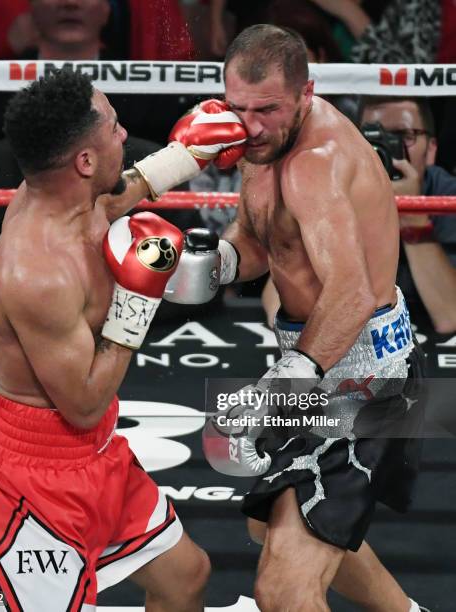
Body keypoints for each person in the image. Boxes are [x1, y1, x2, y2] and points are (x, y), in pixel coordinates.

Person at [0, 67, 247, 610]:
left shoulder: (70, 194)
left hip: (94, 453)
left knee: (186, 577)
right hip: (26, 480)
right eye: (113, 126)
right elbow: (85, 403)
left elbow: (113, 196)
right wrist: (138, 302)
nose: (124, 133)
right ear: (84, 162)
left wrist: (186, 156)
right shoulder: (37, 272)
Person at [191, 25, 429, 611]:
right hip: (318, 364)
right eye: (237, 106)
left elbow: (351, 291)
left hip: (365, 378)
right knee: (270, 526)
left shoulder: (316, 163)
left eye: (266, 109)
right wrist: (213, 264)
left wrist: (278, 388)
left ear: (306, 93)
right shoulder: (257, 141)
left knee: (283, 588)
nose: (248, 124)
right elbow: (258, 238)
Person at [359, 95, 456, 334]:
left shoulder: (448, 197)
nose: (388, 148)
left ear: (431, 149)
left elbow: (450, 316)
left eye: (405, 136)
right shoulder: (337, 192)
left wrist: (410, 213)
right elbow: (277, 304)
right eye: (375, 136)